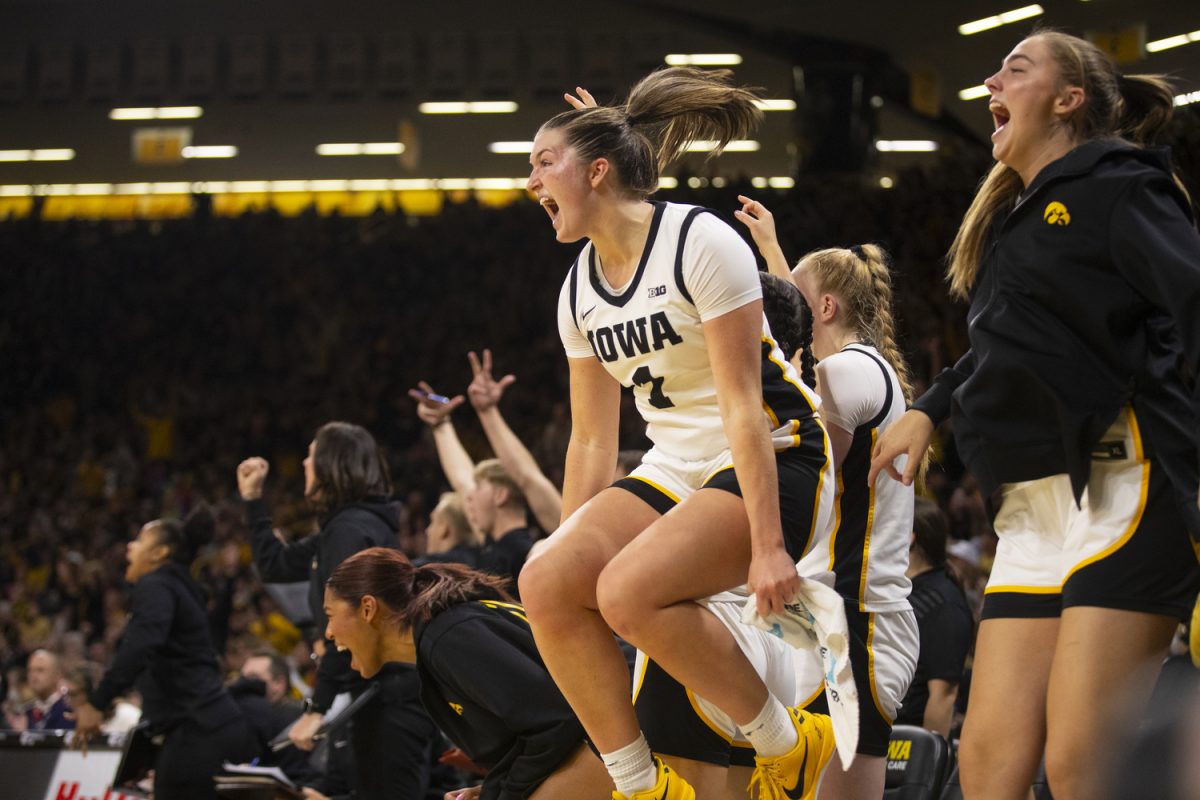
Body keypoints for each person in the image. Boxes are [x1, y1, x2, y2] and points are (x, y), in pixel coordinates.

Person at [869, 31, 1200, 800]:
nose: (990, 79)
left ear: (1068, 99)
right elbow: (1008, 349)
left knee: (1085, 768)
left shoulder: (1121, 186)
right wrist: (930, 408)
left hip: (1127, 485)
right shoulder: (1018, 218)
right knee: (987, 767)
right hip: (1033, 508)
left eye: (1015, 68)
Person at [519, 67, 838, 800]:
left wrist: (766, 547)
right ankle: (641, 788)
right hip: (677, 466)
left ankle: (789, 746)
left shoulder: (700, 238)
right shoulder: (576, 290)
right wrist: (569, 555)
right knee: (545, 578)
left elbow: (741, 404)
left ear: (597, 172)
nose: (528, 179)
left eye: (543, 161)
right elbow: (592, 442)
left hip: (777, 448)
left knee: (627, 592)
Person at [737, 197, 919, 800]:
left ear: (827, 307)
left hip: (859, 617)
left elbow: (812, 480)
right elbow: (798, 307)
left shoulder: (848, 374)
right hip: (837, 614)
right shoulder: (858, 368)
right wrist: (771, 247)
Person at [238, 421, 436, 800]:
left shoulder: (349, 530)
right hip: (374, 695)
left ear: (332, 465)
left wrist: (317, 709)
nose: (303, 463)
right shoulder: (346, 526)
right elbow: (275, 565)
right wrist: (253, 501)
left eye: (311, 456)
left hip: (385, 699)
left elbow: (347, 625)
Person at [323, 546, 610, 800]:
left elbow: (556, 719)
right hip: (604, 728)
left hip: (625, 723)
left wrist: (502, 794)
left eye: (330, 614)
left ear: (368, 609)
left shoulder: (448, 637)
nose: (328, 632)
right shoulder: (443, 635)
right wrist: (493, 788)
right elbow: (535, 733)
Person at [70, 507, 258, 800]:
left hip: (196, 731)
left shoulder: (156, 583)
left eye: (139, 540)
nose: (130, 547)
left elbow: (142, 643)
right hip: (217, 726)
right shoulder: (181, 587)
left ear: (159, 553)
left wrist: (98, 701)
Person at [896, 499, 974, 738]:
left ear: (909, 538)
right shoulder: (903, 591)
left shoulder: (943, 603)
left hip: (904, 743)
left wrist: (924, 767)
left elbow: (943, 697)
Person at [6, 649, 73, 731]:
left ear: (57, 675)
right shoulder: (27, 714)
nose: (34, 676)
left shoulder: (69, 710)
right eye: (30, 670)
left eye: (40, 670)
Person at [420, 492, 484, 568]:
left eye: (432, 522)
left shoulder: (429, 566)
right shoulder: (480, 560)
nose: (427, 531)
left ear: (443, 528)